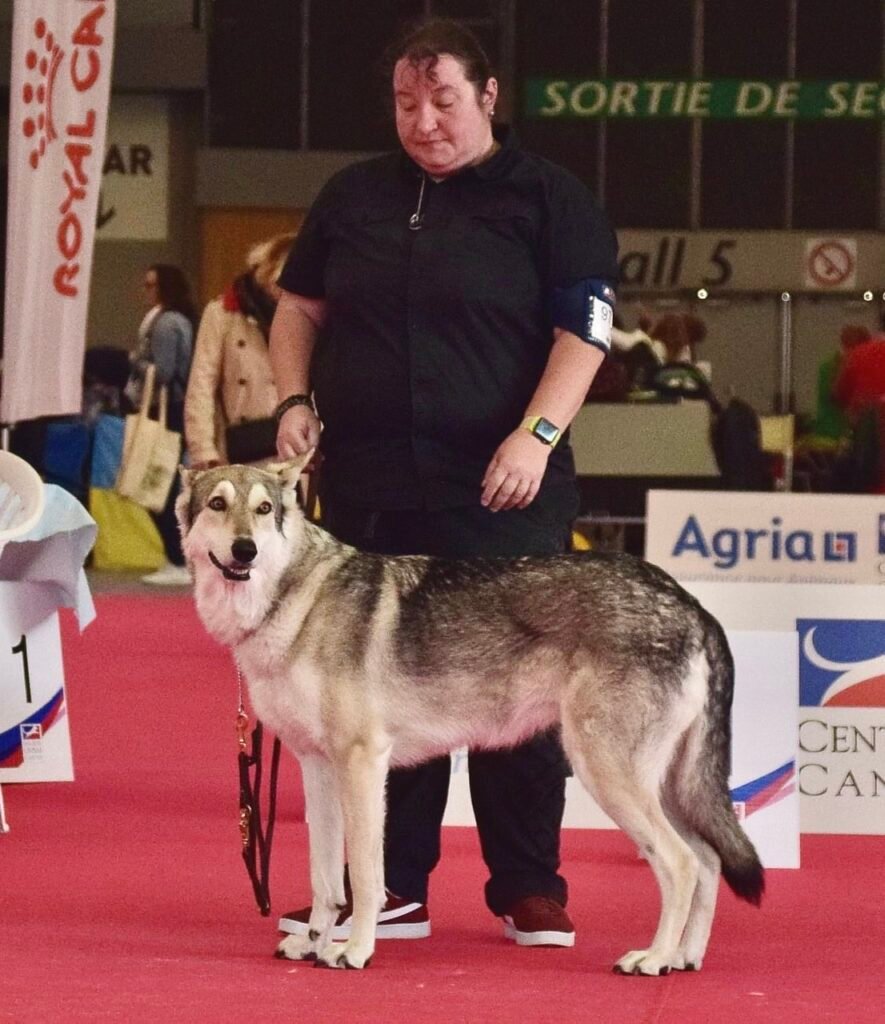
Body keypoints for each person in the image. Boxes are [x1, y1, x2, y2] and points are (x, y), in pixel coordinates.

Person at [268, 18, 619, 948]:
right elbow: (298, 308)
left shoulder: (551, 199)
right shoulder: (352, 196)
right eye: (406, 103)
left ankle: (527, 885)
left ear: (489, 96)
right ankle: (389, 889)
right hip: (371, 492)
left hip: (504, 490)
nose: (423, 121)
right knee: (374, 696)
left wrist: (535, 436)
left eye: (444, 100)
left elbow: (582, 336)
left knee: (523, 691)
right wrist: (293, 397)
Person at [184, 233, 296, 470]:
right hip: (240, 446)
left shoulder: (301, 317)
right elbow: (201, 384)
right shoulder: (221, 313)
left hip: (292, 451)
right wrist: (203, 449)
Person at [130, 264, 197, 586]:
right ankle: (176, 556)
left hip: (167, 410)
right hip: (172, 408)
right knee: (160, 485)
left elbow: (165, 372)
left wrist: (135, 361)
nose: (146, 291)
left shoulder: (166, 323)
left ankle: (177, 557)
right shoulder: (174, 320)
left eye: (151, 285)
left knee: (156, 484)